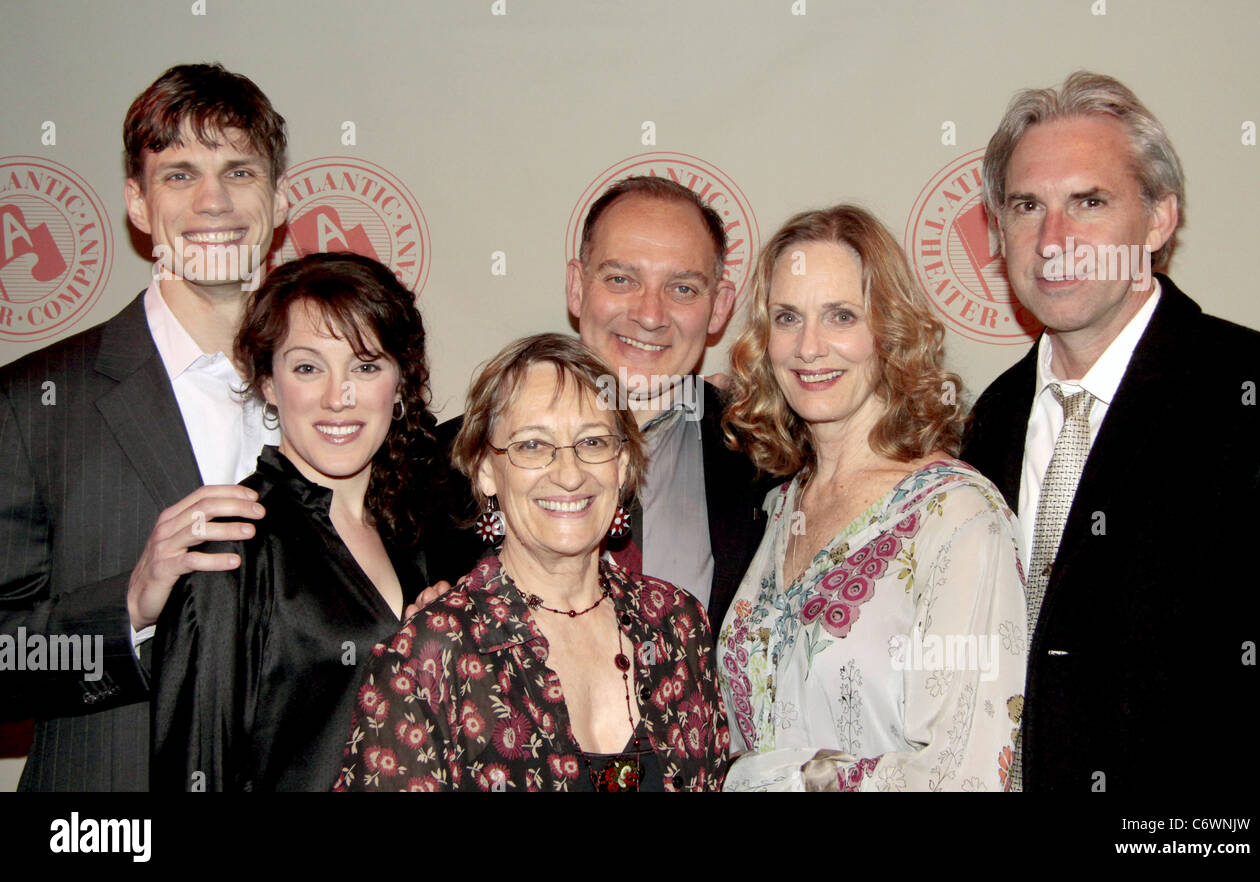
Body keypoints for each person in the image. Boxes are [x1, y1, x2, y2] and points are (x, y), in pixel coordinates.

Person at [961, 71, 1260, 791]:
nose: (1054, 240)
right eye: (1027, 206)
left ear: (1158, 219)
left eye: (1089, 202)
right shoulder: (987, 424)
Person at [0, 63, 286, 790]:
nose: (214, 201)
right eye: (180, 174)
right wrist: (128, 606)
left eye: (240, 170)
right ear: (136, 201)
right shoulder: (34, 402)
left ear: (278, 199)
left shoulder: (342, 400)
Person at [718, 205, 1027, 792]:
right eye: (787, 317)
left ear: (890, 332)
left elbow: (967, 772)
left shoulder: (957, 518)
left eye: (841, 316)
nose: (809, 347)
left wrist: (782, 780)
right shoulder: (781, 507)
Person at [337, 334, 729, 791]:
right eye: (531, 446)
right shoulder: (430, 657)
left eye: (593, 442)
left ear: (622, 465)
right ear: (485, 469)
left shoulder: (678, 627)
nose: (568, 474)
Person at [425, 177, 771, 634]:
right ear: (576, 286)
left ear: (720, 306)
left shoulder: (768, 458)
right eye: (621, 279)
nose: (650, 315)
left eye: (683, 288)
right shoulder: (443, 463)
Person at [151, 252, 435, 791]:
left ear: (400, 384)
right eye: (308, 367)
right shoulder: (232, 545)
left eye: (366, 365)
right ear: (266, 382)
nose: (338, 397)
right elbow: (195, 766)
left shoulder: (410, 534)